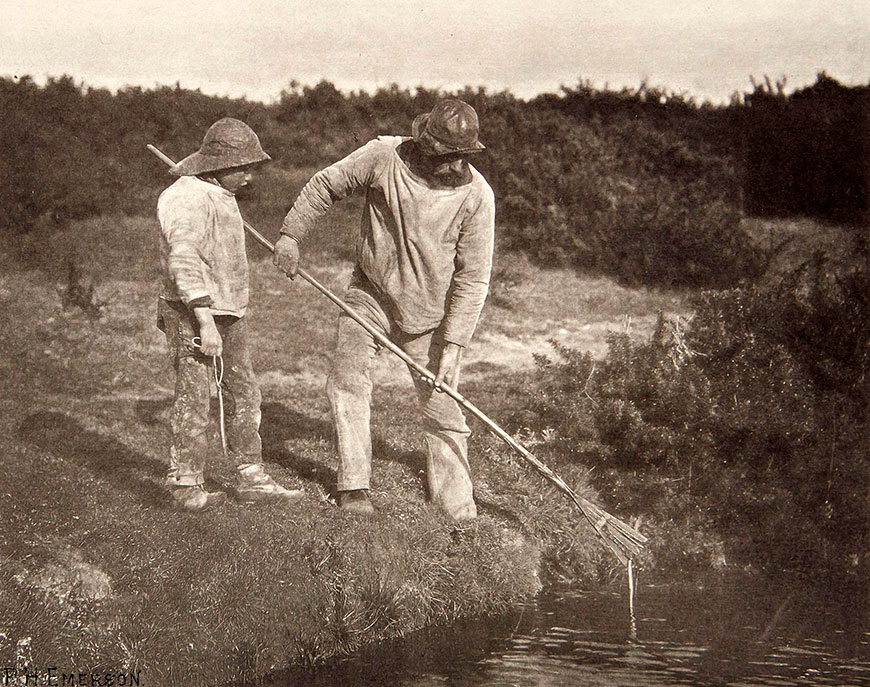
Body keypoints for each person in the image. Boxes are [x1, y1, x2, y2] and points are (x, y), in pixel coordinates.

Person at [273, 99, 495, 520]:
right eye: (446, 155)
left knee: (443, 407)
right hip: (370, 294)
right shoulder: (383, 156)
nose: (452, 165)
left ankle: (457, 510)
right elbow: (326, 185)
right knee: (348, 379)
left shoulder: (477, 197)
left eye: (461, 157)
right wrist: (290, 236)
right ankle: (354, 487)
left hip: (432, 315)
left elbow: (474, 276)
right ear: (425, 143)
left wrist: (455, 345)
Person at [157, 117, 304, 512]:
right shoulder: (185, 197)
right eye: (245, 167)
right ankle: (185, 485)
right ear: (220, 165)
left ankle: (249, 474)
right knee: (194, 396)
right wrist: (203, 321)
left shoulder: (220, 195)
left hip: (229, 311)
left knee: (243, 393)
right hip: (193, 312)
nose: (251, 176)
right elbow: (183, 259)